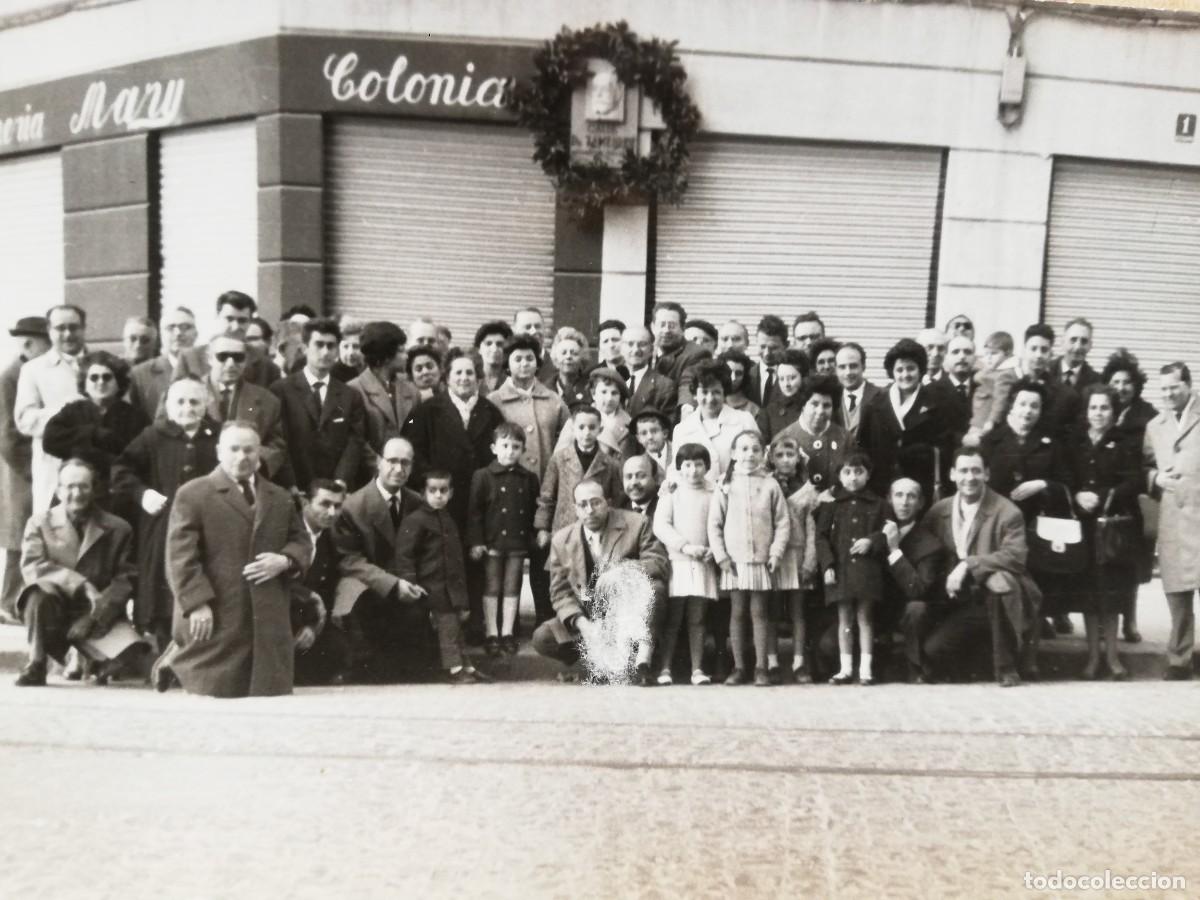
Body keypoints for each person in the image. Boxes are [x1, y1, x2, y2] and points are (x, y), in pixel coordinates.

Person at [162, 421, 311, 697]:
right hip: (218, 612)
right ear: (219, 451)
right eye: (234, 449)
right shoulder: (193, 494)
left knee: (268, 699)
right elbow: (180, 556)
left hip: (267, 620)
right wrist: (196, 604)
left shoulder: (279, 497)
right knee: (213, 690)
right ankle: (171, 665)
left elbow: (301, 541)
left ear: (259, 454)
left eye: (249, 450)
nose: (242, 457)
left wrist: (285, 560)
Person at [110, 378, 219, 650]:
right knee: (162, 581)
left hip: (210, 526)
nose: (187, 408)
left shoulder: (219, 436)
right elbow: (122, 470)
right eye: (180, 402)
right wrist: (142, 493)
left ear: (206, 405)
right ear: (168, 406)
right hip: (163, 525)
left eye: (194, 401)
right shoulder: (153, 436)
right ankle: (165, 648)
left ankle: (200, 651)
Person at [920, 445, 1042, 687]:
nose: (969, 478)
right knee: (934, 650)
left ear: (987, 474)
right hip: (962, 601)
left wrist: (968, 565)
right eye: (963, 471)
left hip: (999, 599)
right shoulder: (939, 511)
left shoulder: (1007, 512)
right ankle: (980, 660)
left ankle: (1006, 667)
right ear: (952, 474)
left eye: (976, 471)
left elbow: (1015, 557)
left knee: (1000, 582)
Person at [12, 458, 141, 687]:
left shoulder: (118, 528)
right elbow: (33, 567)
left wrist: (96, 616)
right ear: (59, 490)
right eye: (70, 486)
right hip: (55, 608)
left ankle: (91, 659)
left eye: (83, 486)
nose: (77, 493)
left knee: (132, 654)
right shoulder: (40, 523)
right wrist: (81, 584)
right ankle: (37, 662)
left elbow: (125, 580)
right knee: (35, 594)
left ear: (94, 489)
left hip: (97, 611)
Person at [532, 478, 668, 680]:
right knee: (543, 638)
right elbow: (560, 592)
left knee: (655, 587)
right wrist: (583, 625)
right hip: (590, 616)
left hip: (626, 613)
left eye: (596, 502)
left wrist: (622, 571)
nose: (590, 510)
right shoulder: (562, 539)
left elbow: (658, 563)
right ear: (575, 508)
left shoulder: (637, 524)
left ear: (608, 502)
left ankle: (633, 660)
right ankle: (603, 663)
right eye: (583, 504)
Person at [332, 437, 436, 681]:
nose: (398, 469)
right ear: (378, 462)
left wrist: (414, 583)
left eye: (405, 463)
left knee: (417, 665)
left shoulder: (417, 503)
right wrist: (392, 584)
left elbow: (427, 553)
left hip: (408, 587)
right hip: (369, 589)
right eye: (392, 461)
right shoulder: (353, 506)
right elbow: (349, 560)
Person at [978, 379, 1073, 634]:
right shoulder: (992, 441)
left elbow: (1066, 484)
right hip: (997, 525)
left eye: (1034, 406)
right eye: (1022, 404)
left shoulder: (1049, 444)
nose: (1028, 411)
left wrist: (1043, 484)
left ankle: (1033, 626)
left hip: (1035, 527)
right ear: (1011, 406)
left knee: (1034, 582)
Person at [489, 335, 570, 624]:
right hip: (505, 493)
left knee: (542, 556)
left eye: (530, 358)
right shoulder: (494, 402)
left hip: (542, 494)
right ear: (507, 364)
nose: (524, 364)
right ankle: (500, 625)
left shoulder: (554, 400)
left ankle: (544, 620)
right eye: (517, 359)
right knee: (503, 558)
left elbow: (567, 443)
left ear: (538, 362)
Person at [1063, 384, 1139, 679]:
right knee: (1089, 594)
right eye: (1093, 407)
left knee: (1111, 593)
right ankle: (1093, 657)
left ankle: (1113, 657)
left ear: (1114, 411)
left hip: (1112, 528)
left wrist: (1106, 495)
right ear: (1086, 411)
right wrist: (1078, 495)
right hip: (1083, 526)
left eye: (1104, 407)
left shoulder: (1124, 442)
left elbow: (1133, 482)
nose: (1098, 413)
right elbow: (1065, 475)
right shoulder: (1074, 442)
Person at [710, 429, 789, 686]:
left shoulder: (770, 484)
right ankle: (739, 666)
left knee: (759, 612)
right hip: (734, 562)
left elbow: (782, 522)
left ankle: (761, 667)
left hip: (760, 561)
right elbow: (715, 524)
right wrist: (721, 556)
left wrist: (776, 552)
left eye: (755, 449)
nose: (749, 455)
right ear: (733, 454)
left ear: (763, 453)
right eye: (743, 449)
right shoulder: (725, 484)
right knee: (737, 611)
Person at [396, 471, 492, 684]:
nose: (438, 495)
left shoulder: (448, 519)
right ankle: (454, 669)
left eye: (443, 490)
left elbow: (456, 557)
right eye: (433, 491)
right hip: (430, 585)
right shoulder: (416, 520)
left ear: (451, 493)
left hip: (451, 585)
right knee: (448, 626)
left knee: (456, 626)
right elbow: (405, 554)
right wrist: (410, 581)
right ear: (423, 493)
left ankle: (467, 665)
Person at [1143, 361, 1200, 680]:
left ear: (1188, 385)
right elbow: (1144, 465)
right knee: (1176, 592)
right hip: (1173, 517)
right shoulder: (1156, 426)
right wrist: (1155, 478)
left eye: (1173, 387)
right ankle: (1179, 659)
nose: (1168, 394)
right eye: (1163, 388)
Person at [816, 451, 889, 685]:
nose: (853, 477)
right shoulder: (832, 505)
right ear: (839, 475)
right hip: (842, 569)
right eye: (847, 472)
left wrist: (872, 541)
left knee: (865, 617)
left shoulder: (879, 504)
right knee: (844, 617)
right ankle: (845, 668)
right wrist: (827, 565)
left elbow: (888, 532)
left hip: (868, 570)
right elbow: (821, 538)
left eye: (859, 472)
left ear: (868, 475)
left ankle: (866, 669)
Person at [467, 422, 539, 657]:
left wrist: (532, 537)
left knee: (512, 587)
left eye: (516, 447)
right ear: (494, 448)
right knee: (492, 587)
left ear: (522, 450)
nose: (510, 451)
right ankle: (492, 633)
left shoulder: (528, 478)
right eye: (505, 445)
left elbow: (531, 511)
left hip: (517, 543)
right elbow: (475, 513)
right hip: (492, 543)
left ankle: (507, 633)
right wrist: (476, 541)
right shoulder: (483, 476)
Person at [857, 338, 959, 503]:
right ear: (892, 372)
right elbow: (863, 446)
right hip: (882, 487)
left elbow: (947, 447)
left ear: (920, 370)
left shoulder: (936, 403)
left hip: (920, 488)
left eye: (911, 368)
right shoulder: (875, 403)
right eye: (899, 369)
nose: (905, 375)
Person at [42, 350, 150, 508]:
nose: (100, 382)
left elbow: (139, 457)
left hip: (117, 493)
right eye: (94, 378)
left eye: (107, 377)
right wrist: (92, 434)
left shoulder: (135, 417)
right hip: (75, 491)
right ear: (85, 383)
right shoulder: (73, 411)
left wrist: (88, 452)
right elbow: (50, 441)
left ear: (118, 382)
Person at [271, 318, 367, 492]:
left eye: (331, 346)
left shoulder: (350, 396)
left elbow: (354, 443)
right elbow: (279, 441)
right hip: (294, 488)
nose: (325, 352)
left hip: (335, 490)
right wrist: (290, 484)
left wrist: (340, 481)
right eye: (319, 345)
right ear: (305, 348)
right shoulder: (281, 391)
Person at [653, 443, 719, 685]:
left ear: (707, 466)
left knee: (698, 618)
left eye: (699, 465)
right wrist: (684, 546)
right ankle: (665, 668)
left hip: (703, 563)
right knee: (673, 618)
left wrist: (715, 549)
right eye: (687, 465)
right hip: (679, 562)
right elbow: (661, 525)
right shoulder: (672, 492)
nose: (693, 471)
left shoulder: (714, 493)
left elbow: (719, 523)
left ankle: (697, 669)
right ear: (679, 468)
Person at [15, 304, 89, 514]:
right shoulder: (34, 370)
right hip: (53, 469)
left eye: (74, 327)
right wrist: (64, 411)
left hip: (95, 468)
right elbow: (24, 419)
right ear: (49, 331)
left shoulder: (101, 364)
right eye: (60, 328)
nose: (68, 334)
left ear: (84, 328)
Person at [0, 316, 49, 619]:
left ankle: (16, 601)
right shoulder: (10, 377)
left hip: (33, 468)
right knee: (20, 536)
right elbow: (6, 435)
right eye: (47, 343)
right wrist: (33, 472)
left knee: (29, 534)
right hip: (22, 473)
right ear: (29, 344)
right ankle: (8, 602)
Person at [200, 335, 289, 481]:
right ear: (209, 358)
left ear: (246, 360)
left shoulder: (267, 401)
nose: (230, 364)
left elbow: (277, 445)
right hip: (199, 479)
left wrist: (252, 462)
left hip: (247, 478)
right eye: (222, 357)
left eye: (238, 357)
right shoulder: (185, 393)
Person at [290, 479, 353, 686]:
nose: (332, 512)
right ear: (305, 502)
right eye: (325, 504)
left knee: (340, 650)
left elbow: (326, 589)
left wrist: (311, 626)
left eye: (337, 506)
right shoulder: (286, 531)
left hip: (308, 618)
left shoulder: (329, 539)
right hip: (281, 613)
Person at [535, 404, 624, 550]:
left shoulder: (610, 464)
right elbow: (547, 497)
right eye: (581, 427)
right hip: (564, 528)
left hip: (598, 530)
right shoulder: (559, 459)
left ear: (600, 430)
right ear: (573, 429)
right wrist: (542, 527)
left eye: (592, 427)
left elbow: (617, 499)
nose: (587, 433)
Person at [770, 436, 819, 682]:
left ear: (798, 458)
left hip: (798, 554)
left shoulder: (808, 489)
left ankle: (799, 662)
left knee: (798, 611)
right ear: (772, 458)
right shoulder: (767, 485)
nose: (785, 460)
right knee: (771, 609)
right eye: (780, 456)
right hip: (775, 555)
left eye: (790, 455)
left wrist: (810, 559)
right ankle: (771, 661)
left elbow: (811, 529)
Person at [672, 361, 759, 483]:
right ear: (695, 394)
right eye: (704, 392)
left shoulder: (744, 421)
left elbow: (759, 463)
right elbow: (676, 472)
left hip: (737, 495)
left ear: (725, 393)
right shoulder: (682, 429)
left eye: (716, 392)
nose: (710, 399)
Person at [174, 291, 282, 387]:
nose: (235, 327)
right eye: (229, 319)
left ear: (250, 322)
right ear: (217, 317)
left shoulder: (266, 366)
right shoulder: (189, 358)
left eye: (242, 321)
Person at [349, 322, 420, 462]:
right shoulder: (354, 389)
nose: (406, 356)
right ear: (385, 356)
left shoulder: (411, 390)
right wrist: (380, 466)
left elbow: (414, 427)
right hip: (370, 474)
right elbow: (358, 441)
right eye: (401, 351)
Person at [772, 375, 849, 492]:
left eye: (827, 405)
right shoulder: (783, 438)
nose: (820, 411)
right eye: (814, 404)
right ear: (803, 404)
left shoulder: (845, 438)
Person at [1012, 324, 1081, 440]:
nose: (1038, 355)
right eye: (1033, 349)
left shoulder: (1067, 396)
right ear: (1024, 352)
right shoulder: (1014, 389)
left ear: (1051, 354)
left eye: (1044, 350)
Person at [128, 305, 198, 420]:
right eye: (171, 328)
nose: (178, 333)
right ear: (161, 335)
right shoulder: (140, 374)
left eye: (185, 327)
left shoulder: (210, 369)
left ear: (196, 334)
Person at [651, 301, 711, 415]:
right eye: (662, 325)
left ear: (683, 328)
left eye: (672, 326)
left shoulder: (696, 353)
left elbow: (689, 382)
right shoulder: (645, 350)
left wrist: (687, 408)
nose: (666, 330)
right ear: (653, 327)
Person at [968, 330, 1019, 444]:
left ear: (1008, 353)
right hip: (978, 418)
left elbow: (1000, 400)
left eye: (994, 353)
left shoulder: (1005, 374)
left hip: (984, 420)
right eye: (986, 354)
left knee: (972, 445)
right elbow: (978, 374)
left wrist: (992, 421)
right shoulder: (993, 369)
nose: (989, 358)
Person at [755, 348, 809, 442]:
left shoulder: (813, 406)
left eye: (792, 378)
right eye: (781, 379)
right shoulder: (768, 413)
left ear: (803, 377)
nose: (786, 384)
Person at [623, 325, 676, 420]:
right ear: (621, 348)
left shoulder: (664, 386)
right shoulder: (612, 379)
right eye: (630, 344)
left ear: (651, 349)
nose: (635, 350)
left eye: (642, 344)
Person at [831, 343, 880, 439]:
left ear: (863, 367)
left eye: (853, 366)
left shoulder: (881, 397)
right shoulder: (832, 399)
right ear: (836, 370)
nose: (848, 372)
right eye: (842, 367)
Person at [585, 366, 631, 457]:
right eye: (604, 392)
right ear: (593, 394)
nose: (609, 398)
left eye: (614, 393)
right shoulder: (578, 420)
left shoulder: (629, 424)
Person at [745, 314, 789, 406]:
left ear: (786, 346)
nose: (767, 353)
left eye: (773, 348)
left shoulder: (792, 377)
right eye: (762, 346)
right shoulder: (746, 375)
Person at [541, 327, 590, 406]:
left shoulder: (590, 388)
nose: (568, 357)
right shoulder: (543, 389)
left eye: (574, 353)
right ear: (555, 358)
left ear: (582, 358)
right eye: (563, 353)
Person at [1049, 317, 1100, 390]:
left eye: (1084, 341)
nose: (1078, 347)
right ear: (1062, 342)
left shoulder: (1096, 381)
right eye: (1073, 340)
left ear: (1090, 346)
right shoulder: (1047, 371)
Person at [629, 409, 673, 478]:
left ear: (665, 433)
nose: (650, 437)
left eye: (654, 431)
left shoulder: (677, 451)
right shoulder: (640, 463)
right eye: (644, 433)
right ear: (638, 439)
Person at [474, 320, 513, 395]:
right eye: (488, 343)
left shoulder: (512, 379)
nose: (494, 349)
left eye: (499, 344)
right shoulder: (471, 376)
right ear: (479, 349)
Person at [719, 349, 760, 417]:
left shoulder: (753, 410)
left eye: (738, 373)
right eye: (728, 372)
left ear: (744, 376)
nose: (733, 378)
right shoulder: (710, 402)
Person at [619, 454, 660, 520]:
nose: (634, 482)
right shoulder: (619, 508)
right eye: (629, 477)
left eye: (641, 476)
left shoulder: (665, 505)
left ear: (655, 478)